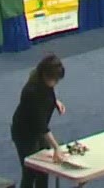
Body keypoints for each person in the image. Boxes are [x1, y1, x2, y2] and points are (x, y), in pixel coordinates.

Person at [11, 54, 68, 188]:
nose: (55, 82)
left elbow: (48, 94)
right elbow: (41, 125)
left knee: (44, 170)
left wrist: (55, 102)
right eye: (54, 79)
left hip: (36, 129)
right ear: (45, 75)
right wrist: (56, 147)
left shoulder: (44, 81)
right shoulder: (31, 92)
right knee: (30, 171)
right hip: (24, 133)